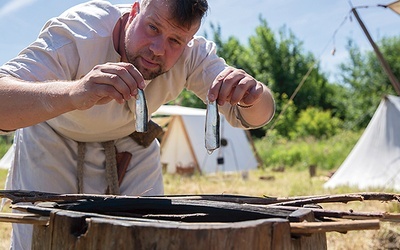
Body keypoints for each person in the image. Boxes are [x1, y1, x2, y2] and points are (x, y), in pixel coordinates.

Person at [0, 0, 275, 248]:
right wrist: (75, 93)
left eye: (175, 41)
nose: (158, 49)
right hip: (52, 140)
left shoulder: (192, 55)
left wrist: (252, 95)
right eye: (153, 28)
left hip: (131, 145)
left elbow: (255, 116)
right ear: (134, 12)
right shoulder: (78, 34)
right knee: (42, 242)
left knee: (148, 238)